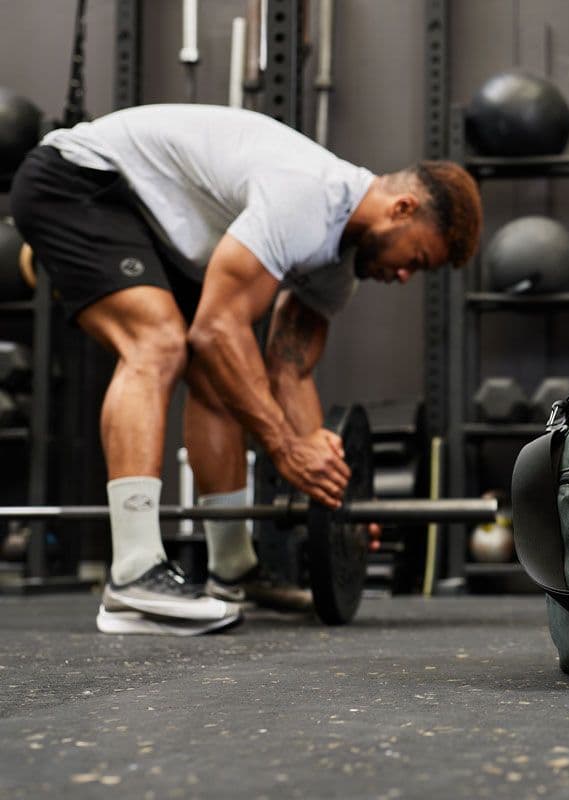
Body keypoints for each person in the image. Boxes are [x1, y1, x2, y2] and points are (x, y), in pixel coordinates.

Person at [9, 104, 482, 636]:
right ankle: (133, 577)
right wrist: (283, 448)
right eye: (414, 259)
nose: (401, 275)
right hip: (79, 180)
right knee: (158, 343)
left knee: (219, 379)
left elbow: (290, 373)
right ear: (402, 208)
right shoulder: (308, 197)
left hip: (151, 224)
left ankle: (232, 570)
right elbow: (215, 330)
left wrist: (335, 492)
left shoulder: (336, 269)